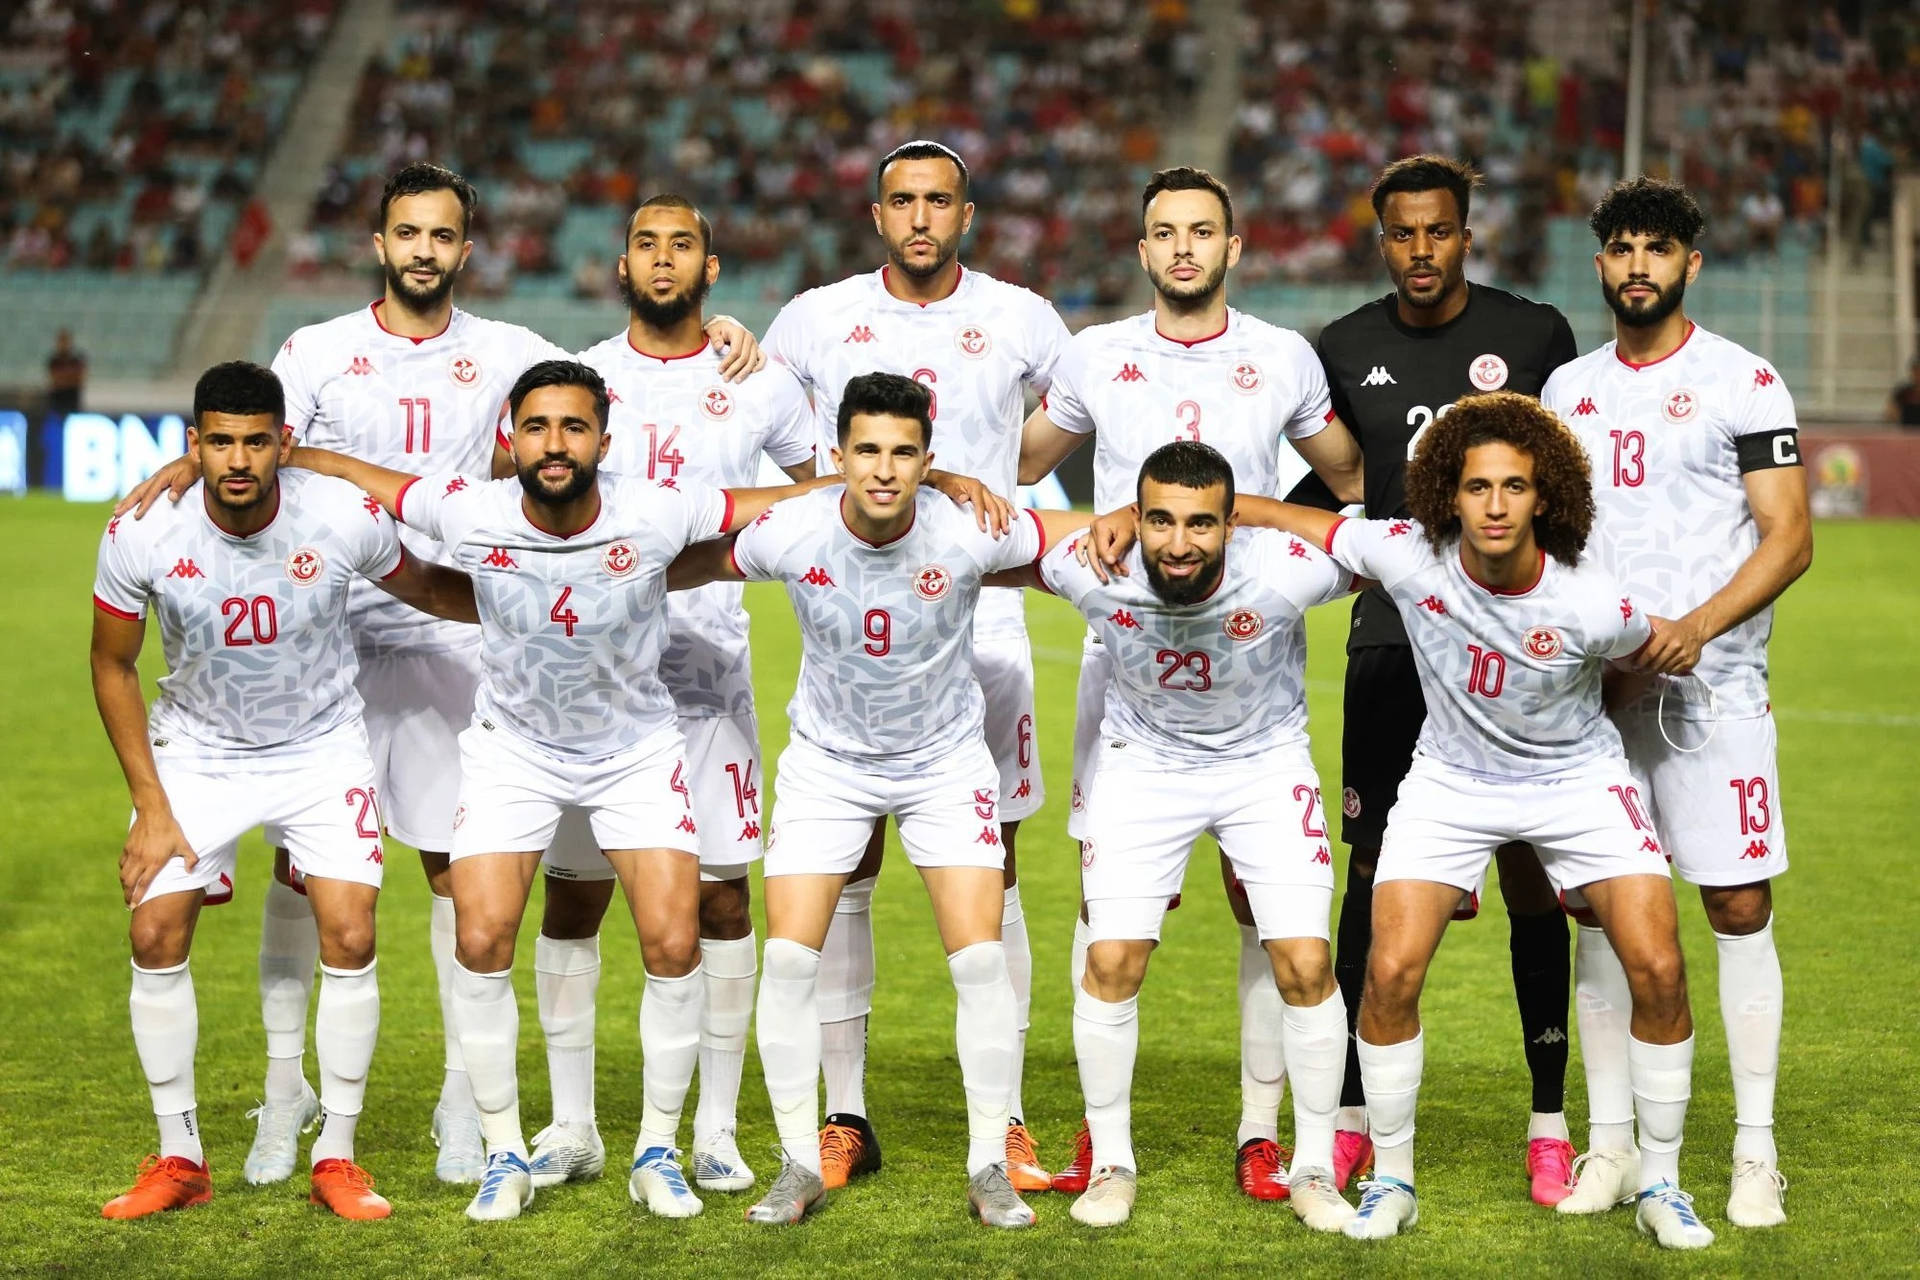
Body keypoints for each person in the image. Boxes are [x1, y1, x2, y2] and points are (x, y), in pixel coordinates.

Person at [114, 163, 766, 1187]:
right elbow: (253, 440)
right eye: (406, 232)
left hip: (453, 630)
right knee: (305, 877)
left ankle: (466, 1109)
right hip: (320, 642)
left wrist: (725, 332)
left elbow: (615, 383)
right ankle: (286, 1101)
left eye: (442, 234)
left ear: (467, 249)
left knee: (458, 880)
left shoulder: (514, 353)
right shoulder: (315, 351)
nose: (423, 249)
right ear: (380, 243)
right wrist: (179, 468)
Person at [1089, 393, 1710, 1248]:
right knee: (1387, 976)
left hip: (1576, 780)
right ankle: (1392, 1176)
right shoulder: (1411, 556)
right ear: (1447, 496)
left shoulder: (1590, 601)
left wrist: (1595, 714)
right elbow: (1302, 522)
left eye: (1514, 488)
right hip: (1450, 783)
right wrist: (1144, 513)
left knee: (1660, 964)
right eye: (1476, 487)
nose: (1494, 505)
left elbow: (1651, 655)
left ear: (1544, 498)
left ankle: (1663, 1182)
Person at [281, 360, 825, 1222]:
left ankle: (658, 1148)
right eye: (537, 428)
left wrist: (916, 477)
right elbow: (359, 476)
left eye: (574, 427)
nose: (555, 444)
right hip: (514, 751)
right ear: (511, 437)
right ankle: (504, 1151)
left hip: (635, 750)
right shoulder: (472, 509)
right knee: (482, 934)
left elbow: (785, 502)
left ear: (605, 439)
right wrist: (265, 455)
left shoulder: (658, 506)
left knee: (675, 943)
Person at [1015, 164, 1365, 1200]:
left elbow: (1347, 480)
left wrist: (1244, 519)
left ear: (1233, 247)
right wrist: (1095, 523)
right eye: (1164, 231)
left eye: (1201, 231)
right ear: (1140, 249)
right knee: (1104, 892)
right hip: (1126, 654)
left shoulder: (1282, 357)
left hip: (1250, 651)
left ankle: (1264, 1129)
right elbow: (1020, 461)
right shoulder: (1097, 355)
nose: (1182, 248)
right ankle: (1101, 1131)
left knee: (1261, 896)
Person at [668, 373, 1090, 1227]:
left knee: (977, 961)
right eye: (868, 450)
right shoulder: (792, 529)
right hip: (829, 765)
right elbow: (681, 559)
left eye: (905, 453)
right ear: (837, 457)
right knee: (789, 961)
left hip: (944, 765)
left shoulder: (972, 527)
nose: (886, 469)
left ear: (930, 461)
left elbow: (1086, 543)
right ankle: (797, 1164)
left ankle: (988, 1166)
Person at [91, 361, 479, 1222]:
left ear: (284, 444)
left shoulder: (338, 515)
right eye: (220, 441)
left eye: (256, 441)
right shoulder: (143, 529)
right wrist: (153, 806)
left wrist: (524, 598)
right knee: (154, 929)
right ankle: (180, 1155)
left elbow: (426, 588)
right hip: (197, 750)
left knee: (349, 928)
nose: (238, 459)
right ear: (192, 445)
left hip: (320, 748)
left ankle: (336, 1155)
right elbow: (111, 662)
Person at [761, 140, 1072, 1192]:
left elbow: (1060, 425)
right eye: (903, 200)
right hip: (856, 605)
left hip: (975, 615)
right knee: (844, 866)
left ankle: (1010, 1117)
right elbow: (777, 425)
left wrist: (987, 494)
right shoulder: (813, 316)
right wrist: (916, 480)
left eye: (940, 200)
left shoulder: (1025, 316)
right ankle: (843, 1113)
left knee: (1001, 865)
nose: (922, 216)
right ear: (878, 212)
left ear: (968, 214)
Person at [522, 194, 819, 1196]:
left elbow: (820, 501)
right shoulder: (581, 379)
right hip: (589, 687)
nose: (661, 258)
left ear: (712, 266)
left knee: (724, 897)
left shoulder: (758, 380)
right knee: (574, 897)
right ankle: (571, 1126)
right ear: (620, 265)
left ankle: (719, 1127)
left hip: (708, 683)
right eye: (644, 242)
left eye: (680, 243)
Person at [1304, 155, 1583, 1201]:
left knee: (1527, 870)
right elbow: (1322, 488)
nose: (1422, 251)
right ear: (1382, 240)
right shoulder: (1345, 346)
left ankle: (1549, 1118)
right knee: (1372, 875)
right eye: (1402, 234)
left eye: (1440, 232)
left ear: (1469, 234)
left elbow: (1568, 487)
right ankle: (1346, 1113)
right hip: (1389, 640)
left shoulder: (1538, 336)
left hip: (1512, 644)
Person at [996, 441, 1359, 1231]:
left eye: (1202, 524)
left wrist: (1265, 510)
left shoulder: (1284, 571)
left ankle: (1313, 1169)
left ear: (1233, 525)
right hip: (1144, 767)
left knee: (1305, 960)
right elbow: (988, 543)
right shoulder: (1093, 566)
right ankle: (1113, 1165)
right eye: (1158, 520)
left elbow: (1378, 546)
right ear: (1136, 516)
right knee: (1112, 959)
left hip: (1265, 766)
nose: (1179, 543)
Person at [1542, 177, 1812, 1230]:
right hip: (1595, 698)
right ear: (1600, 263)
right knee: (1605, 910)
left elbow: (1789, 536)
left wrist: (1695, 627)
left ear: (1691, 263)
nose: (1638, 263)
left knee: (1737, 904)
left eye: (1659, 247)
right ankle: (1610, 1144)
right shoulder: (1568, 390)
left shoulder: (1746, 380)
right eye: (1621, 248)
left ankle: (1754, 1151)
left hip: (1717, 691)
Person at [47, 328, 86, 415]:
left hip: (72, 400)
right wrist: (70, 377)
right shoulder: (54, 361)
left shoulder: (77, 360)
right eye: (62, 341)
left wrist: (64, 378)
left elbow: (80, 380)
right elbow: (55, 381)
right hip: (57, 401)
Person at [1886, 356, 1920, 426]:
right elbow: (1890, 411)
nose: (1918, 375)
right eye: (1915, 372)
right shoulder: (1903, 391)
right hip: (1906, 432)